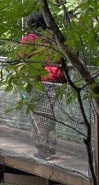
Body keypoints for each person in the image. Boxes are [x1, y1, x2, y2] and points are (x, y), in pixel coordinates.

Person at [19, 12, 66, 161]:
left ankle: (43, 151)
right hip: (56, 82)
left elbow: (20, 57)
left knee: (39, 117)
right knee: (49, 115)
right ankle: (51, 147)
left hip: (38, 84)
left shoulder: (30, 39)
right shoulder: (54, 39)